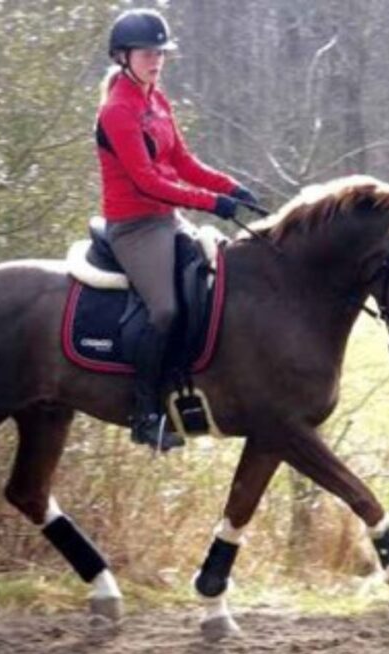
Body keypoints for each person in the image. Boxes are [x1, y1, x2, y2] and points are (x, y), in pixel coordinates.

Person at [96, 8, 259, 451]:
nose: (156, 60)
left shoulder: (156, 100)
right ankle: (146, 413)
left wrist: (232, 187)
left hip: (167, 218)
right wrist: (213, 203)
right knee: (164, 310)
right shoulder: (118, 111)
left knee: (216, 278)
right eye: (148, 53)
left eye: (161, 53)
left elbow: (183, 163)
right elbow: (148, 180)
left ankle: (192, 384)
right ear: (123, 56)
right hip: (134, 227)